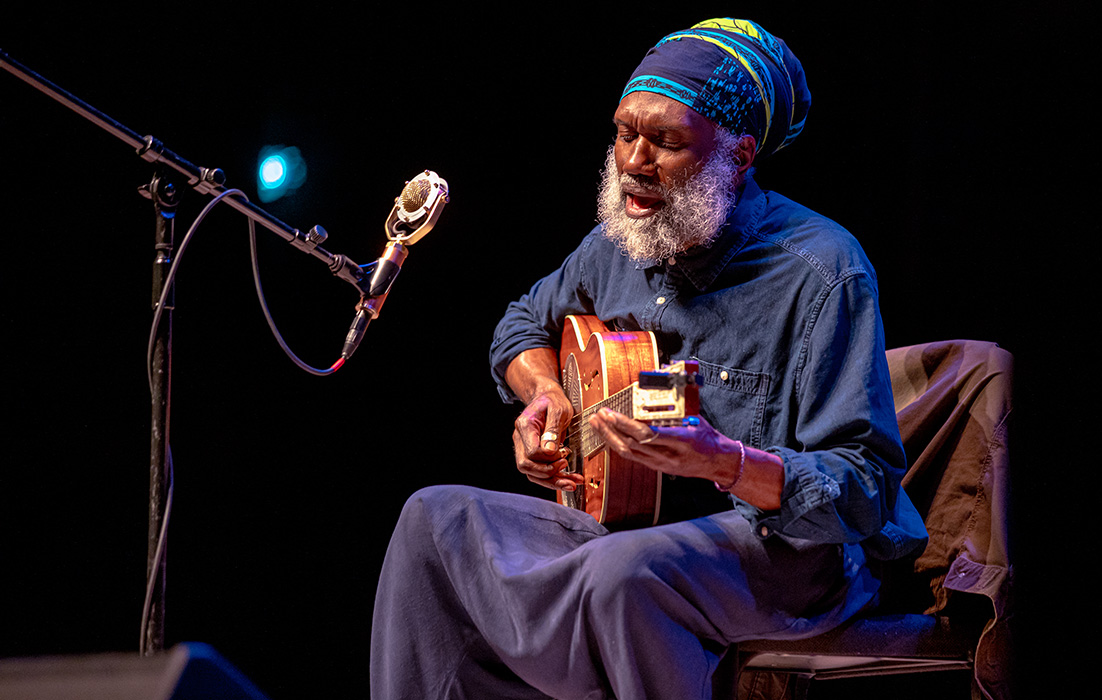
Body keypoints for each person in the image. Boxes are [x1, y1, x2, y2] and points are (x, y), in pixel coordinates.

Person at [370, 18, 927, 700]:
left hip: (786, 552)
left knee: (623, 575)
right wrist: (546, 394)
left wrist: (726, 462)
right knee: (433, 519)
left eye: (666, 141)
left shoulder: (822, 271)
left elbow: (865, 486)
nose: (634, 159)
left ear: (740, 153)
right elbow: (520, 326)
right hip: (633, 529)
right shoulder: (616, 244)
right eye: (625, 132)